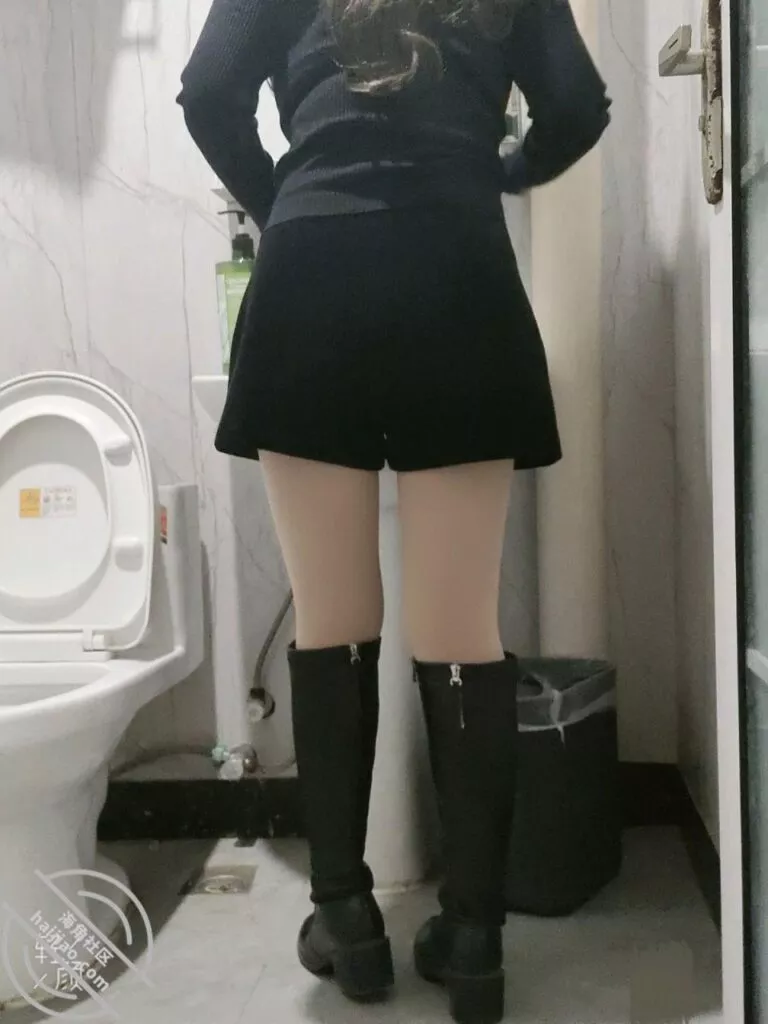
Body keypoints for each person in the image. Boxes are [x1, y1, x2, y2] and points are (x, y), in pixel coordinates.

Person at [178, 0, 610, 1020]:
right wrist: (497, 170)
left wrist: (285, 198)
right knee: (462, 632)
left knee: (332, 624)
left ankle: (346, 918)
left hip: (311, 274)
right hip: (457, 271)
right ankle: (474, 935)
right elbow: (578, 107)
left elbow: (206, 95)